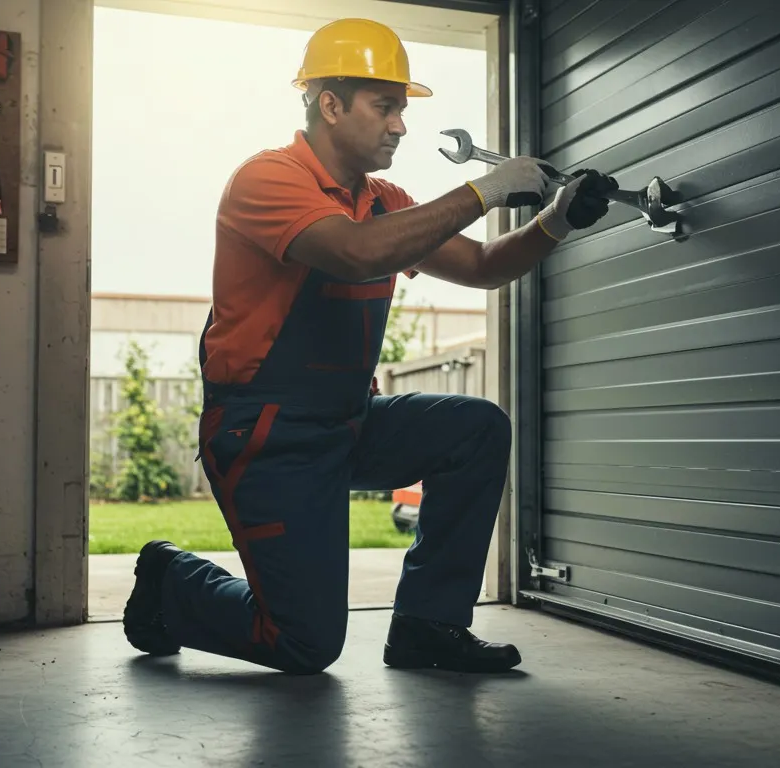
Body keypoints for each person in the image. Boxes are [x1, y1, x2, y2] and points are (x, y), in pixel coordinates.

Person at [121, 17, 615, 675]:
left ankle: (427, 626)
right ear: (330, 103)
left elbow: (482, 265)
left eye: (402, 110)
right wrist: (487, 189)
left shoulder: (385, 202)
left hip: (346, 424)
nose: (400, 126)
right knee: (305, 643)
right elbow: (354, 255)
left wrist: (555, 221)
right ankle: (171, 581)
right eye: (385, 107)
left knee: (476, 428)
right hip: (267, 438)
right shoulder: (267, 181)